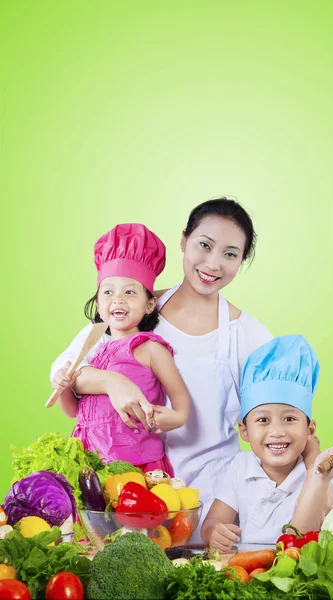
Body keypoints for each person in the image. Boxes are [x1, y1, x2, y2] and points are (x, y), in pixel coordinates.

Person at [51, 198, 315, 540]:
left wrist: (317, 473)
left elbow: (285, 415)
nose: (213, 263)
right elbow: (66, 368)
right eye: (204, 245)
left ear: (241, 261)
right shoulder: (132, 305)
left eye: (230, 254)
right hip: (127, 493)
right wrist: (111, 382)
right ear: (183, 241)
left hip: (210, 504)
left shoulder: (246, 335)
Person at [201, 335, 333, 551]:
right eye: (263, 420)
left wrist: (317, 469)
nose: (276, 432)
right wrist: (213, 532)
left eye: (289, 419)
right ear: (245, 431)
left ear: (310, 430)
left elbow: (299, 540)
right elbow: (213, 521)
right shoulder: (241, 467)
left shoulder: (324, 477)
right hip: (247, 573)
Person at [56, 223, 190, 474]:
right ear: (98, 303)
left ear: (149, 304)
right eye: (108, 292)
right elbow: (74, 411)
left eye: (129, 292)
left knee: (137, 514)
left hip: (138, 464)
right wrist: (63, 387)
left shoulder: (150, 348)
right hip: (92, 465)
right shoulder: (93, 353)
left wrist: (178, 417)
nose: (117, 299)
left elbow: (180, 396)